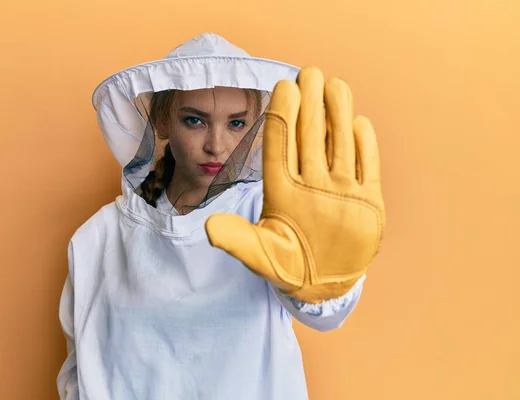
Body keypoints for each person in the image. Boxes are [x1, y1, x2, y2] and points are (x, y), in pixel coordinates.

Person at [57, 32, 385, 400]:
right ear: (162, 122)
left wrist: (325, 284)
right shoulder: (96, 237)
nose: (216, 145)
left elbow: (324, 316)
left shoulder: (271, 215)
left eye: (236, 123)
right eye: (195, 121)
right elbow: (79, 371)